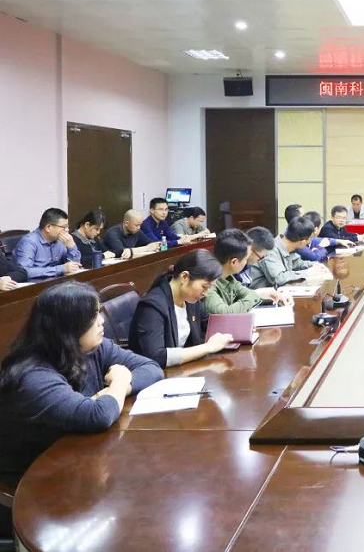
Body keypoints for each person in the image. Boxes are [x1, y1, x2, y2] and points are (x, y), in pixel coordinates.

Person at [0, 282, 163, 486]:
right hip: (32, 479)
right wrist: (119, 382)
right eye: (93, 316)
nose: (102, 321)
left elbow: (151, 368)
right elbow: (98, 415)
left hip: (79, 455)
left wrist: (112, 393)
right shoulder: (32, 375)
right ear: (68, 326)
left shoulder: (91, 347)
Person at [128, 249, 232, 368]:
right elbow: (157, 356)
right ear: (184, 277)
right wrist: (208, 347)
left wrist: (242, 328)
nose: (206, 293)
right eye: (204, 287)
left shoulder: (190, 299)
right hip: (156, 374)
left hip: (183, 369)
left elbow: (210, 323)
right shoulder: (152, 306)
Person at [203, 229, 288, 314]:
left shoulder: (229, 278)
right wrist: (257, 294)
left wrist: (272, 295)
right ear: (234, 262)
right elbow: (225, 313)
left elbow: (247, 294)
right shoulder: (208, 283)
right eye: (246, 259)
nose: (246, 263)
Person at [249, 217, 327, 289]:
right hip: (261, 294)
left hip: (278, 291)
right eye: (310, 238)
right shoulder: (271, 250)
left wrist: (314, 265)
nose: (310, 241)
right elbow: (278, 278)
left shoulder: (289, 247)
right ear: (303, 241)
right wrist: (307, 273)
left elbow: (297, 263)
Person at [13, 208, 82, 280]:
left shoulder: (59, 240)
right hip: (34, 284)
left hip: (55, 281)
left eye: (67, 226)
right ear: (48, 227)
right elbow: (24, 272)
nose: (67, 230)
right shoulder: (29, 242)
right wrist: (61, 269)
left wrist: (72, 247)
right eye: (63, 227)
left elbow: (74, 267)